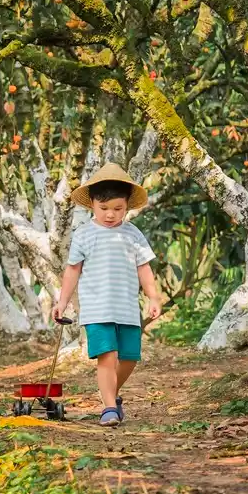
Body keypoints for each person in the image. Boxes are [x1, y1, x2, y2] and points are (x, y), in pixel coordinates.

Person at [52, 163, 162, 426]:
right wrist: (62, 302)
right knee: (108, 356)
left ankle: (111, 394)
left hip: (126, 308)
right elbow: (72, 270)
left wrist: (154, 297)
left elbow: (143, 267)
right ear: (91, 204)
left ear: (126, 206)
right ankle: (109, 408)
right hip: (97, 308)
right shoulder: (84, 234)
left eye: (118, 209)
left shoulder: (132, 233)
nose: (111, 215)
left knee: (130, 358)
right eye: (104, 209)